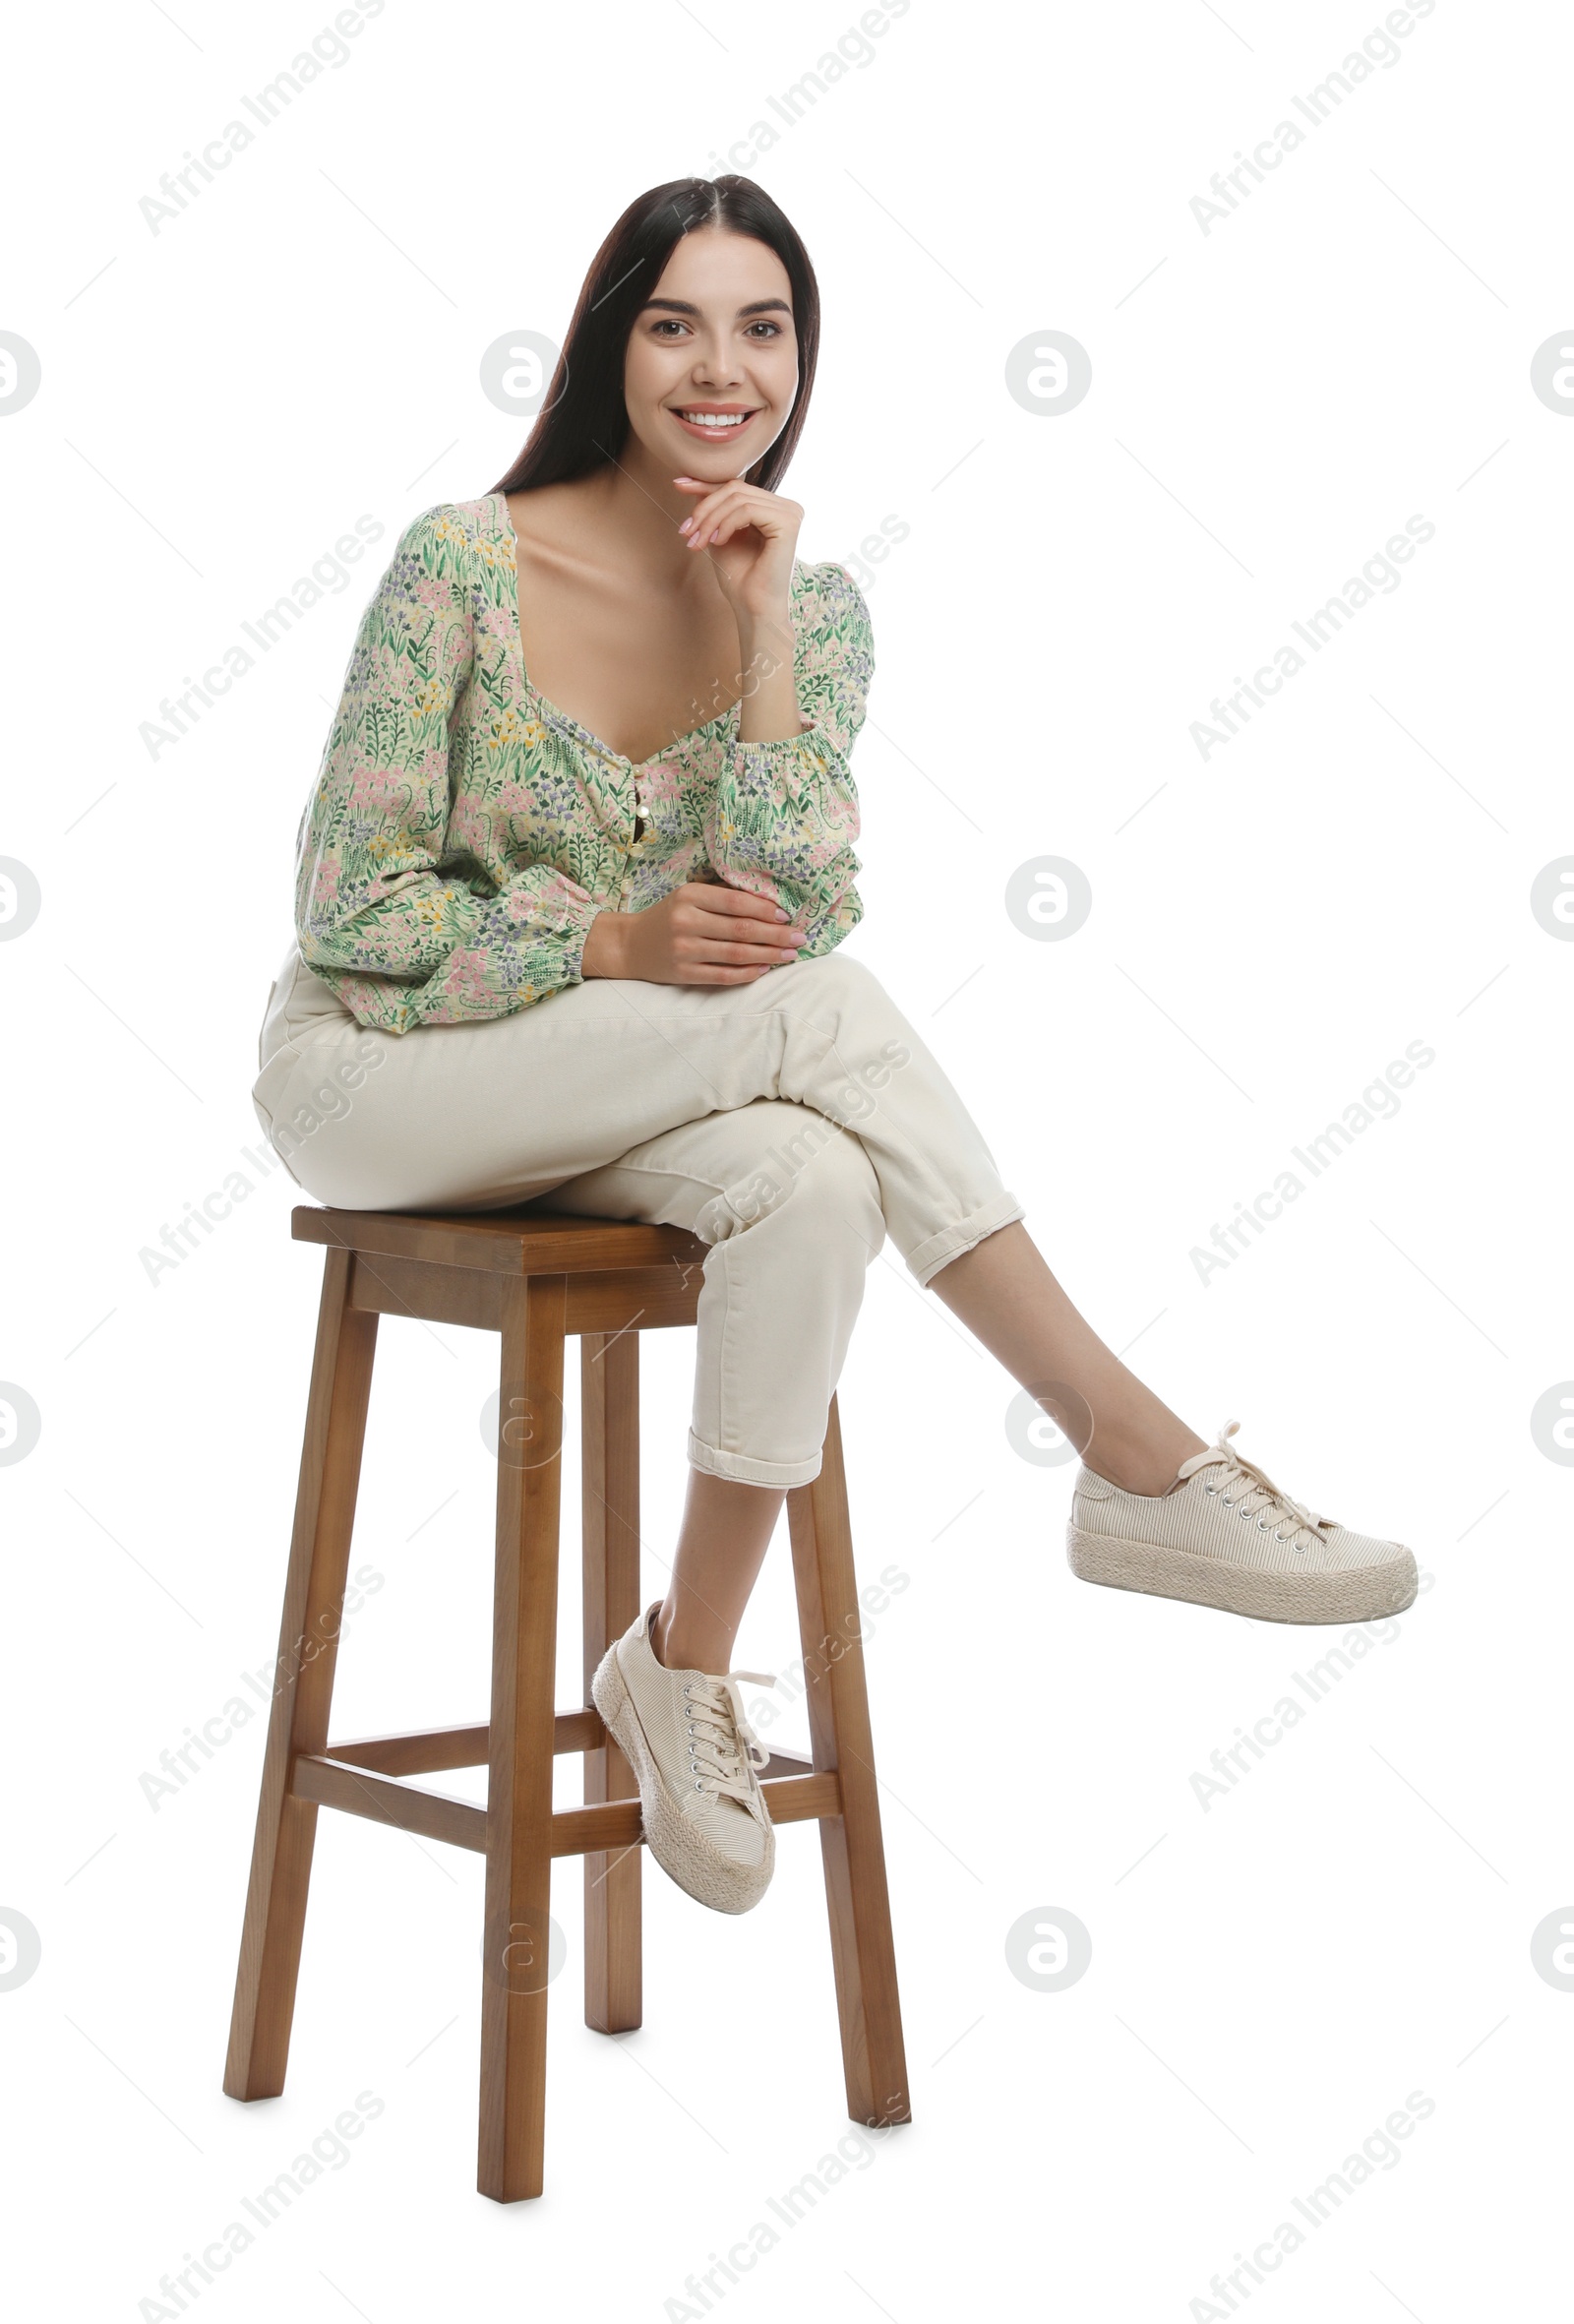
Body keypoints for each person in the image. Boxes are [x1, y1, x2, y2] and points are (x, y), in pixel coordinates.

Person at [252, 175, 1417, 1919]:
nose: (723, 367)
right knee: (826, 1027)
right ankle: (1129, 1448)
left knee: (808, 1175)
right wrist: (603, 938)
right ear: (608, 342)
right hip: (377, 1078)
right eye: (676, 322)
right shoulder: (461, 567)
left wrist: (772, 636)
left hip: (621, 1087)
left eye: (764, 325)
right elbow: (349, 901)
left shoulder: (820, 606)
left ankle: (679, 1668)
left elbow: (793, 905)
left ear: (803, 354)